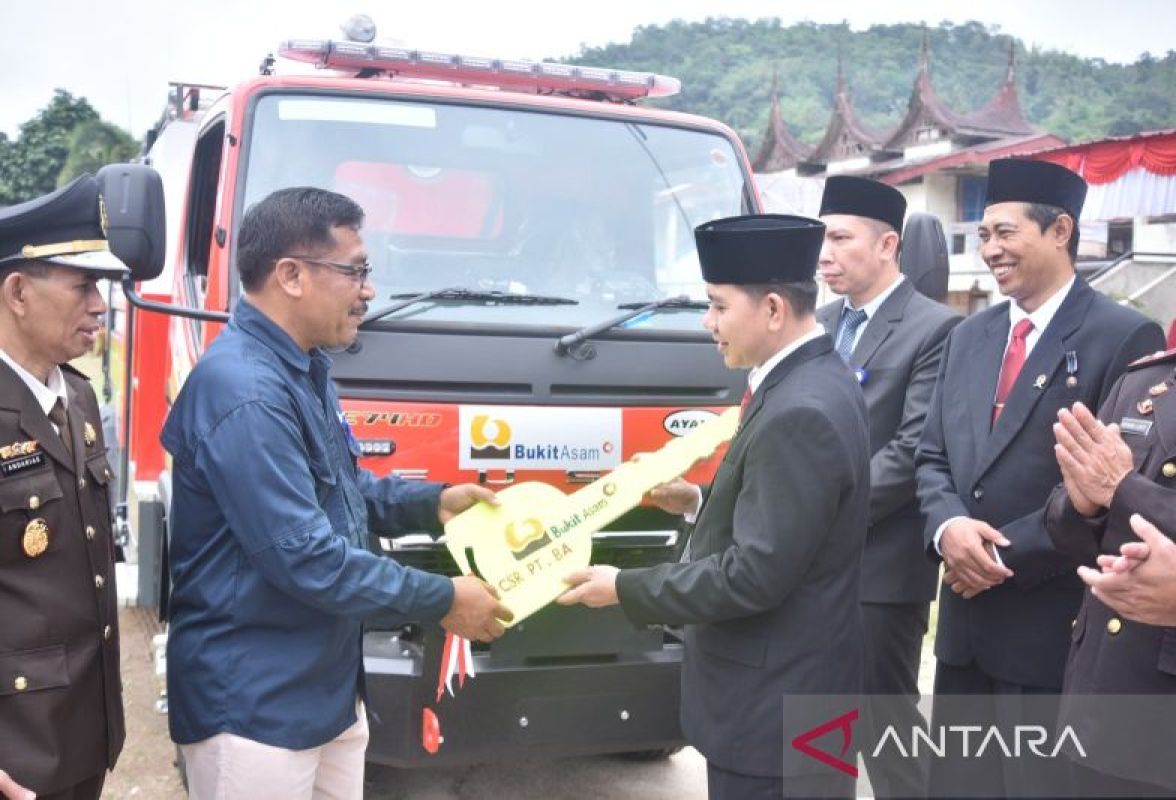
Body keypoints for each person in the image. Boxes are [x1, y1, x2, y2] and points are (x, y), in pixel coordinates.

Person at [161, 187, 511, 800]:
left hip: (323, 689)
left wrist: (432, 503)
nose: (368, 290)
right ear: (291, 275)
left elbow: (339, 492)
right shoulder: (245, 391)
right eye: (355, 270)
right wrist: (441, 598)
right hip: (255, 707)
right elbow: (305, 557)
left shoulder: (301, 368)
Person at [560, 213, 871, 800]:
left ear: (774, 309)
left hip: (774, 711)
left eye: (719, 306)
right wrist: (700, 500)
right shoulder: (814, 379)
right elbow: (795, 522)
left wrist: (624, 587)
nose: (709, 324)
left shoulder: (799, 409)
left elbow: (755, 575)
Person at [914, 157, 1164, 796]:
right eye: (984, 236)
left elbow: (1111, 488)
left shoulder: (1123, 335)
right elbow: (933, 455)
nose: (991, 250)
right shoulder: (968, 335)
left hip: (1048, 630)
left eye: (1006, 233)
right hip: (963, 638)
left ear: (1060, 232)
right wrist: (947, 530)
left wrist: (994, 556)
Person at [1044, 185, 1176, 797]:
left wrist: (1121, 490)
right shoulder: (1151, 381)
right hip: (1099, 694)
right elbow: (1069, 525)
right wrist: (1082, 503)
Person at [815, 175, 961, 799]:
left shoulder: (934, 328)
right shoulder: (815, 322)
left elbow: (912, 450)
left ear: (887, 245)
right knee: (818, 727)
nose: (823, 253)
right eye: (821, 238)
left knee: (885, 725)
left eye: (840, 238)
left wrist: (813, 509)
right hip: (808, 565)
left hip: (879, 568)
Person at [0, 176, 129, 800]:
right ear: (17, 292)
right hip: (15, 749)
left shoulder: (75, 394)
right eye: (83, 285)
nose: (101, 305)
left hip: (82, 728)